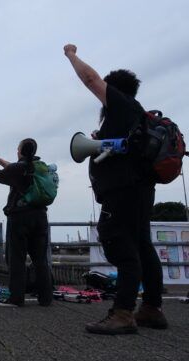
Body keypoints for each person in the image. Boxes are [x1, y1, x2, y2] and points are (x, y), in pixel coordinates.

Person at [64, 44, 167, 334]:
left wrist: (71, 54)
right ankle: (151, 308)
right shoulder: (135, 115)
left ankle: (122, 313)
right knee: (143, 245)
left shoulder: (121, 105)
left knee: (121, 246)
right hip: (140, 190)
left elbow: (90, 79)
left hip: (122, 191)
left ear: (114, 88)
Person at [0, 139, 53, 307]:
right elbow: (12, 166)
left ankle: (16, 298)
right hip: (40, 216)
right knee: (41, 260)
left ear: (20, 151)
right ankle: (46, 298)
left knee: (16, 259)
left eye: (17, 149)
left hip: (20, 217)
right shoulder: (41, 167)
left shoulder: (19, 168)